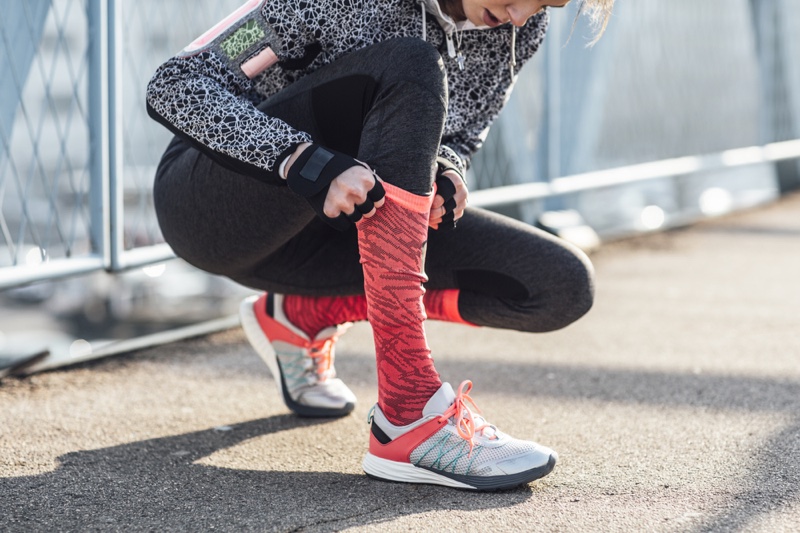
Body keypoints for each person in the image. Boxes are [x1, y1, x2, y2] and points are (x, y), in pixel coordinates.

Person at [146, 0, 612, 491]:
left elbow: (462, 130)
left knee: (558, 285)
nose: (522, 17)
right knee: (411, 63)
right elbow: (178, 84)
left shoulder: (518, 28)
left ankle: (300, 315)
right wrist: (302, 160)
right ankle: (408, 412)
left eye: (547, 5)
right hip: (216, 210)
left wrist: (447, 169)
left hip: (341, 229)